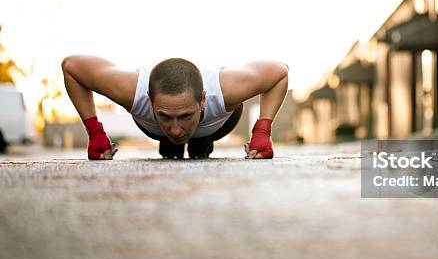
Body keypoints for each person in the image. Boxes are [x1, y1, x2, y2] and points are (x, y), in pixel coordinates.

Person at [61, 55, 289, 160]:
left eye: (186, 115)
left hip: (216, 126)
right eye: (166, 116)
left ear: (202, 99)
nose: (176, 129)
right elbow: (71, 66)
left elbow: (279, 71)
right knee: (171, 144)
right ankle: (170, 142)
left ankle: (201, 141)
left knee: (198, 145)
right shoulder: (131, 91)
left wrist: (263, 130)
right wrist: (95, 132)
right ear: (149, 99)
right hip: (153, 130)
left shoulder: (225, 89)